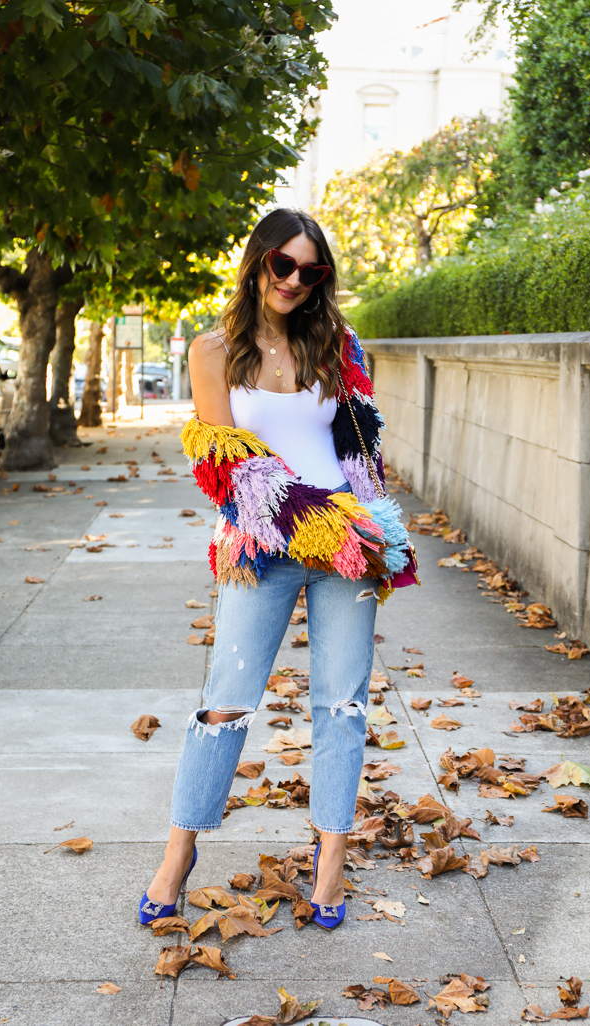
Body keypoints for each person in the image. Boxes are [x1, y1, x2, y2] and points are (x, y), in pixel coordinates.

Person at [139, 208, 417, 931]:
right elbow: (227, 468)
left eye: (310, 270)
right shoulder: (214, 352)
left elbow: (363, 448)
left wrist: (370, 527)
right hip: (262, 544)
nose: (294, 281)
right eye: (282, 264)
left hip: (349, 547)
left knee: (343, 706)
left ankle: (329, 864)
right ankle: (178, 852)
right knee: (224, 703)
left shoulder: (337, 345)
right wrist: (319, 521)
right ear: (258, 261)